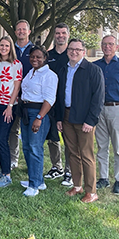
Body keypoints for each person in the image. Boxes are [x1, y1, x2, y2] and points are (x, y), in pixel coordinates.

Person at [56, 39, 104, 203]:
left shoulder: (93, 70)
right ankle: (77, 186)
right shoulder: (64, 70)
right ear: (67, 50)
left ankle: (91, 191)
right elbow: (59, 96)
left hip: (85, 119)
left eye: (78, 49)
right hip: (67, 117)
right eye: (71, 49)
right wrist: (59, 118)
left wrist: (90, 121)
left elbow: (98, 99)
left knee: (86, 154)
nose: (74, 52)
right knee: (72, 153)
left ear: (84, 51)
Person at [94, 35, 119, 196]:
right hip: (100, 109)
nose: (107, 47)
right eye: (104, 44)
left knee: (118, 146)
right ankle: (103, 177)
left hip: (118, 108)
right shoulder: (96, 66)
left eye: (111, 44)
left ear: (116, 47)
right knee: (101, 146)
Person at [19, 45, 58, 196]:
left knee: (35, 148)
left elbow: (49, 99)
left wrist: (39, 118)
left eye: (38, 57)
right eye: (32, 56)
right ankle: (37, 180)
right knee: (27, 147)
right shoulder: (31, 72)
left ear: (45, 58)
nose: (35, 59)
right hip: (25, 112)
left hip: (38, 113)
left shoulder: (49, 75)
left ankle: (34, 186)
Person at [0, 36, 22, 188]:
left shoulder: (16, 64)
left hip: (7, 106)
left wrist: (10, 106)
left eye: (7, 46)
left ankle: (7, 175)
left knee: (2, 138)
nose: (4, 48)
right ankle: (2, 170)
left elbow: (17, 87)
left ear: (11, 48)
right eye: (1, 45)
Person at [45, 23, 72, 185]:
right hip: (51, 103)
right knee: (52, 137)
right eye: (57, 33)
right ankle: (57, 167)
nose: (60, 35)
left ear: (67, 35)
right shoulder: (49, 55)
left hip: (68, 103)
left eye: (63, 33)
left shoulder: (72, 54)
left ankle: (69, 171)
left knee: (69, 139)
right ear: (54, 35)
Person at [10, 19, 34, 169]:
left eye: (23, 29)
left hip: (30, 97)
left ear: (29, 32)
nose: (21, 32)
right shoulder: (10, 49)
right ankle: (13, 159)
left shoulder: (35, 50)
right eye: (18, 29)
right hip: (12, 95)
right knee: (13, 129)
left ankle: (31, 161)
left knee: (29, 130)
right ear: (15, 32)